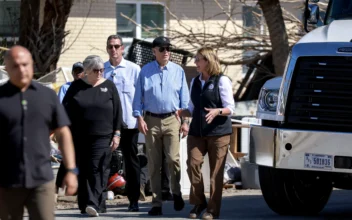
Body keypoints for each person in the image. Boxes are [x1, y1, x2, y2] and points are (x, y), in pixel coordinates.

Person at [0, 46, 78, 220]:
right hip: (7, 181)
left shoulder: (48, 96)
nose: (21, 69)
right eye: (15, 66)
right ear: (7, 68)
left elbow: (63, 133)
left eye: (25, 64)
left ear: (32, 65)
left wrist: (71, 171)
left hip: (41, 179)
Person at [133, 36, 190, 216]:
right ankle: (156, 203)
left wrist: (186, 121)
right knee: (154, 163)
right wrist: (139, 118)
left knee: (173, 159)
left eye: (168, 48)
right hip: (151, 120)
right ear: (154, 51)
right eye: (162, 49)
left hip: (173, 119)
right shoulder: (145, 71)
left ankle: (176, 192)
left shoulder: (178, 71)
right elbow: (137, 98)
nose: (166, 52)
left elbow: (185, 99)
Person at [177, 47, 235, 220]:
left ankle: (212, 210)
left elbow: (231, 108)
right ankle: (199, 201)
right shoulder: (194, 81)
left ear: (207, 61)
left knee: (216, 173)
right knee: (193, 164)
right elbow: (192, 109)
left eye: (198, 59)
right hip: (197, 132)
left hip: (219, 133)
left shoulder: (222, 81)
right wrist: (182, 112)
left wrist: (218, 111)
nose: (195, 62)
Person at [62, 55, 123, 217]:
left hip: (103, 136)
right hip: (79, 136)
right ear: (87, 71)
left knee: (97, 168)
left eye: (102, 70)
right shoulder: (76, 87)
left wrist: (117, 134)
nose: (100, 73)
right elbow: (64, 110)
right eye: (96, 70)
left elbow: (118, 112)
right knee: (84, 169)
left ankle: (92, 203)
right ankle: (89, 203)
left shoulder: (109, 86)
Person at [103, 35, 141, 211]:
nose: (114, 50)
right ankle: (99, 199)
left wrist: (140, 117)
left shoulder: (133, 69)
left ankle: (133, 199)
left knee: (130, 162)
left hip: (128, 123)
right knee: (103, 161)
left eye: (117, 46)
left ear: (123, 48)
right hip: (108, 124)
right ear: (107, 49)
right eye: (111, 47)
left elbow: (140, 96)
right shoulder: (102, 69)